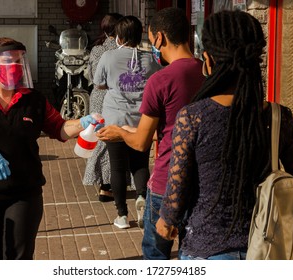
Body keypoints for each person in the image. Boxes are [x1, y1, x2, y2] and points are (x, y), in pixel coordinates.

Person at [155, 10, 293, 260]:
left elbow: (176, 194)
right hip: (265, 252)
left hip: (205, 251)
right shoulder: (278, 117)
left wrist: (166, 222)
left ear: (208, 61)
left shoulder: (193, 117)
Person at [0, 37, 101, 260]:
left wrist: (82, 123)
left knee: (19, 254)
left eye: (19, 62)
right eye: (9, 62)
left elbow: (59, 129)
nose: (16, 68)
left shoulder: (35, 100)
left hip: (24, 192)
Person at [96, 7, 204, 259]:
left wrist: (120, 133)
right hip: (200, 180)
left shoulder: (162, 78)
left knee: (156, 255)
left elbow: (142, 141)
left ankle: (122, 212)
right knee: (193, 253)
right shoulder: (206, 72)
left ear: (159, 38)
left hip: (167, 180)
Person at [93, 15, 161, 229]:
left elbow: (98, 83)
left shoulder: (108, 56)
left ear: (119, 36)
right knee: (140, 163)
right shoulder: (150, 59)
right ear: (139, 34)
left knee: (117, 167)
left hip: (115, 119)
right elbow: (158, 83)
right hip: (141, 120)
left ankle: (122, 215)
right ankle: (141, 197)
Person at [83, 13, 123, 202]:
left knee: (99, 137)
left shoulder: (97, 49)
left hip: (97, 97)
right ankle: (107, 185)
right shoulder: (123, 49)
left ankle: (104, 183)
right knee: (113, 138)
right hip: (115, 97)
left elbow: (92, 76)